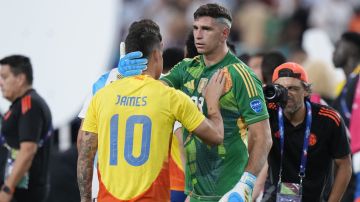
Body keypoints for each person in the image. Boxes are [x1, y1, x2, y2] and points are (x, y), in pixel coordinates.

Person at [118, 4, 273, 202]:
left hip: (227, 193)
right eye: (196, 28)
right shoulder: (185, 69)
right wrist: (128, 76)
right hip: (194, 193)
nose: (198, 35)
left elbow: (263, 137)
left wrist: (246, 184)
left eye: (206, 29)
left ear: (224, 33)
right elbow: (152, 91)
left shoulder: (241, 76)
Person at [77, 19, 226, 202]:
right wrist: (212, 104)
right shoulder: (170, 96)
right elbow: (215, 136)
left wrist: (85, 198)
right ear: (157, 54)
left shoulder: (102, 93)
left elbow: (84, 151)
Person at [260, 62, 352, 201]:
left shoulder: (328, 119)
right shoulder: (267, 113)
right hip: (276, 195)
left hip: (315, 197)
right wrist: (257, 96)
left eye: (293, 88)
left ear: (306, 91)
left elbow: (344, 165)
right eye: (281, 89)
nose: (287, 94)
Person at [0, 55, 53, 202]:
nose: (0, 83)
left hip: (21, 194)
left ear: (20, 79)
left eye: (4, 77)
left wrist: (7, 188)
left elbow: (28, 150)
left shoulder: (29, 105)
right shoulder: (22, 104)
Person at [332, 31, 360, 202]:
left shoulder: (357, 83)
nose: (333, 52)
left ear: (352, 50)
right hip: (346, 164)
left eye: (338, 46)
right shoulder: (344, 85)